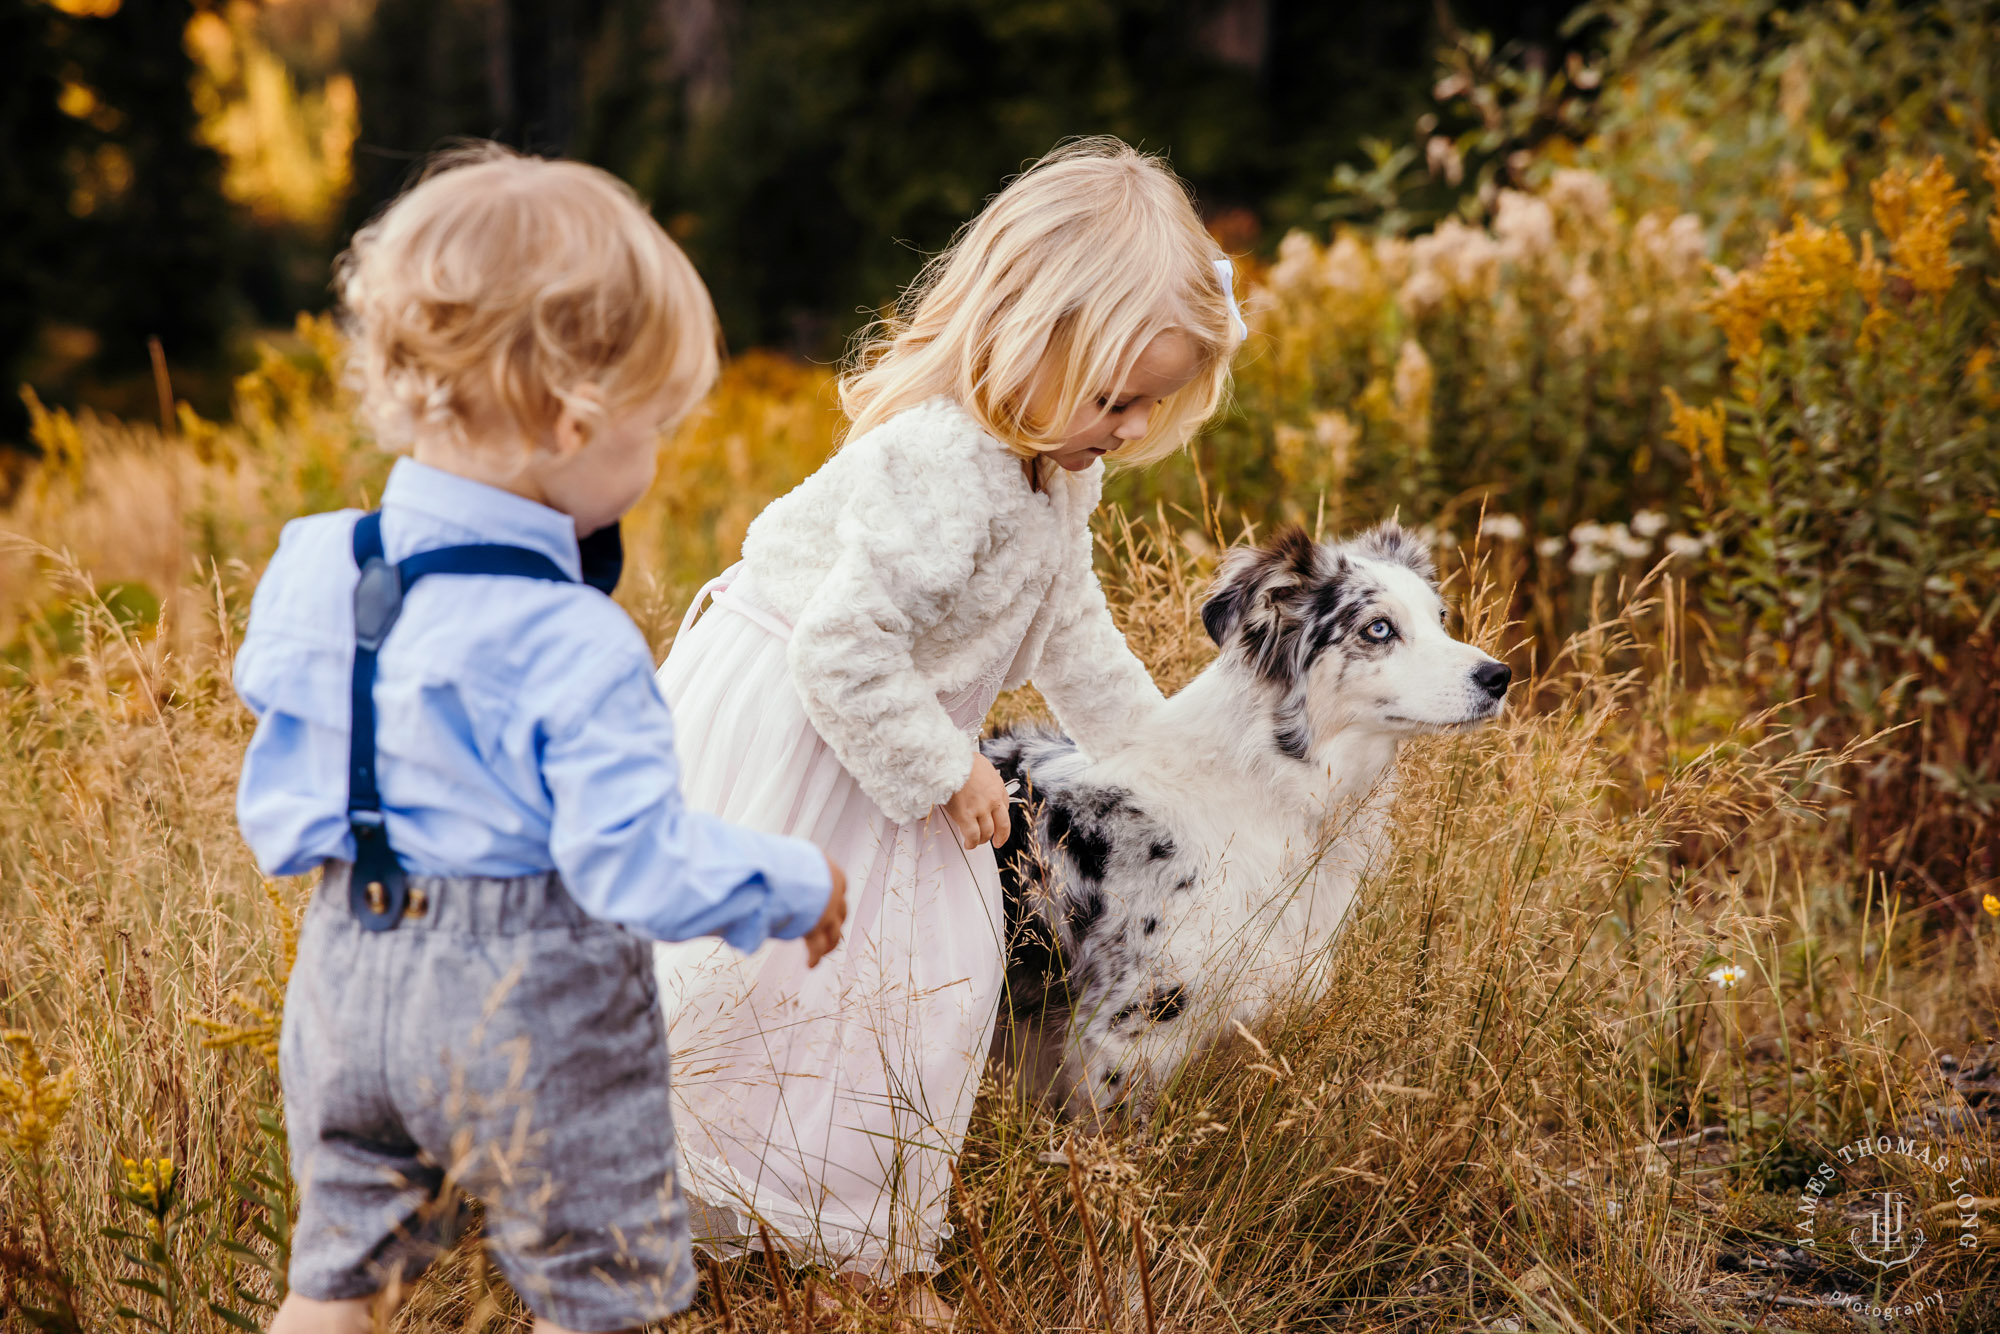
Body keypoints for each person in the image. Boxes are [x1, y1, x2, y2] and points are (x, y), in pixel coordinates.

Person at [232, 144, 848, 1334]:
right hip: (530, 1007)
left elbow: (281, 801)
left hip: (344, 983)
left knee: (336, 1282)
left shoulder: (317, 562)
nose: (657, 458)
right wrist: (790, 877)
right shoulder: (574, 636)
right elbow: (635, 863)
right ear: (575, 415)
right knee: (594, 1292)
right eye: (655, 425)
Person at [651, 136, 1245, 1323]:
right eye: (1113, 396)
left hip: (890, 736)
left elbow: (1075, 632)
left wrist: (1171, 760)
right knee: (789, 983)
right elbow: (838, 649)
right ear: (1030, 337)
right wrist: (947, 768)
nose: (1127, 428)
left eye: (1150, 403)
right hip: (819, 725)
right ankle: (801, 1240)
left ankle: (831, 1239)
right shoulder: (942, 461)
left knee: (921, 984)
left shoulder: (1053, 466)